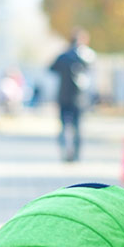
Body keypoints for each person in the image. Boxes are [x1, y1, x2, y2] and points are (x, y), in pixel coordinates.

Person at [49, 29, 94, 161]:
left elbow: (51, 69)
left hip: (63, 96)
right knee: (77, 127)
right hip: (79, 98)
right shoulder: (86, 56)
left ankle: (64, 152)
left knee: (64, 126)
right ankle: (76, 155)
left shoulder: (63, 56)